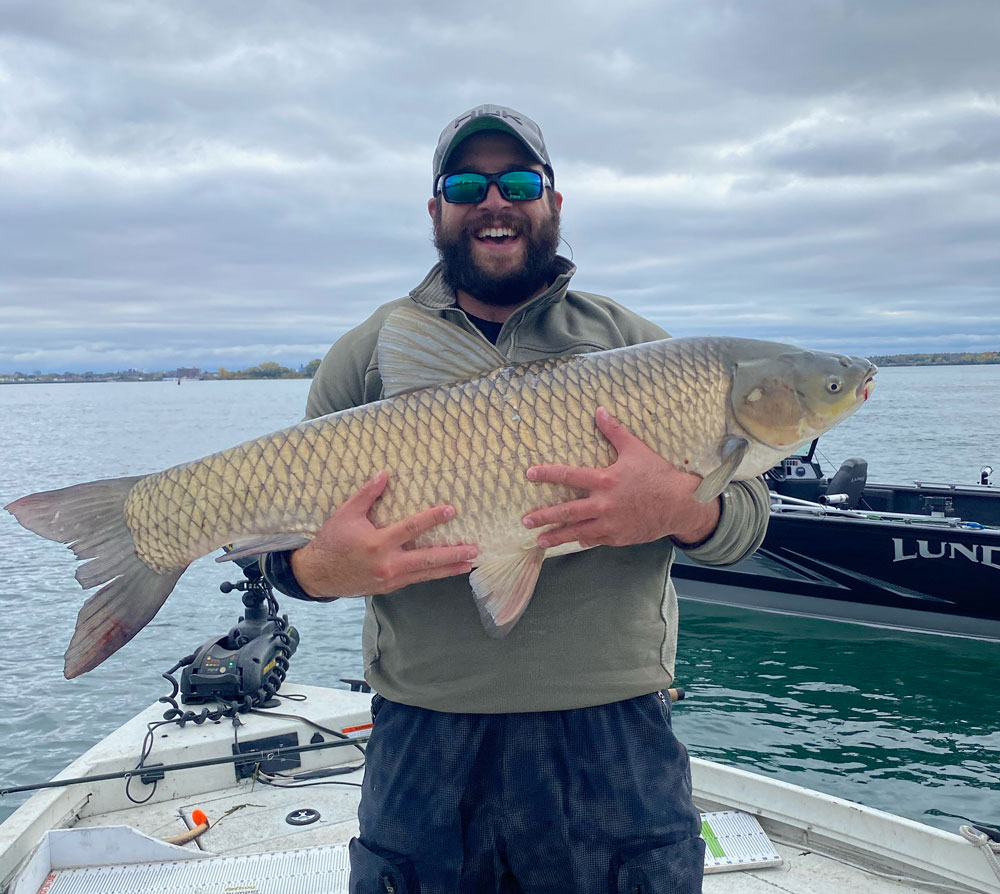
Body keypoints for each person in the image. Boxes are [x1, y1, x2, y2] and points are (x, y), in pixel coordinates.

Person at [260, 104, 770, 894]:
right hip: (425, 736)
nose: (494, 202)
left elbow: (749, 523)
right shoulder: (367, 359)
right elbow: (282, 553)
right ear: (437, 212)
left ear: (553, 205)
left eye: (519, 181)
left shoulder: (642, 350)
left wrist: (679, 510)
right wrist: (324, 570)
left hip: (615, 732)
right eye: (467, 184)